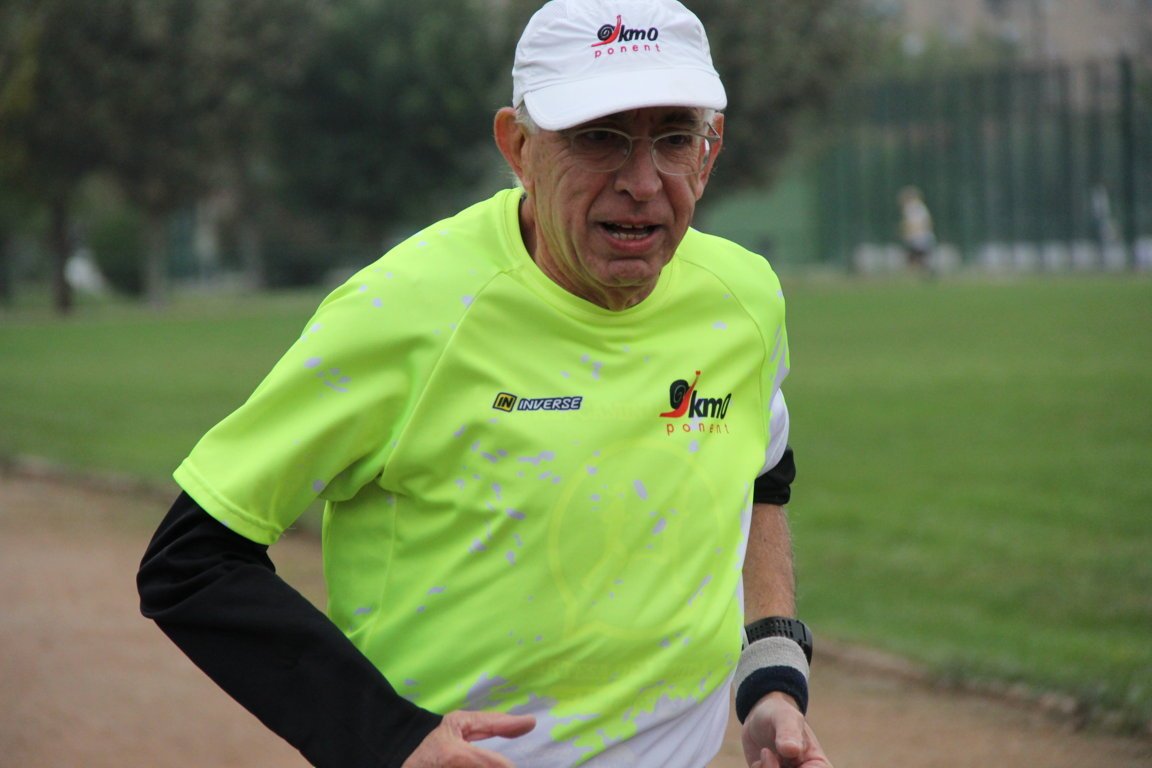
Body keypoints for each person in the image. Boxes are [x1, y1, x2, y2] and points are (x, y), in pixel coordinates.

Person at [137, 1, 831, 766]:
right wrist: (388, 737)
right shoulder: (403, 310)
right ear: (518, 146)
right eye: (598, 137)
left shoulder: (743, 298)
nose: (642, 181)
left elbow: (761, 471)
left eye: (673, 138)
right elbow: (189, 562)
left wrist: (772, 675)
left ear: (710, 150)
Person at [898, 186, 935, 272]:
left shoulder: (912, 208)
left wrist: (908, 231)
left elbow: (915, 224)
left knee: (914, 260)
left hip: (918, 238)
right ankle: (926, 272)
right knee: (918, 260)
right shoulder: (921, 207)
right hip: (922, 237)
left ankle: (927, 272)